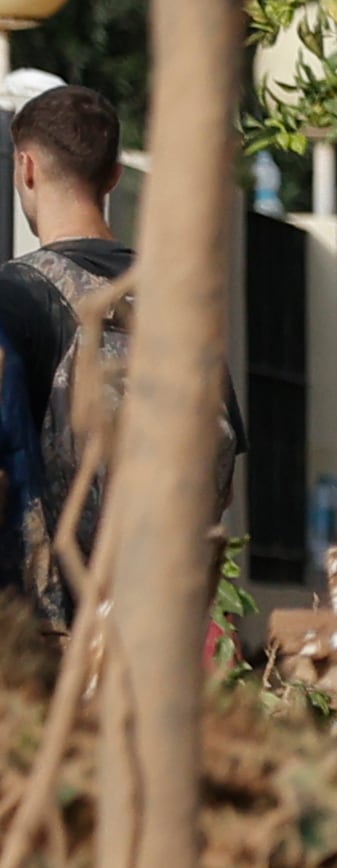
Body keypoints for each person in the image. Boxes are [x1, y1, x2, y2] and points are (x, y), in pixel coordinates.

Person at [0, 82, 131, 615]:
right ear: (114, 178)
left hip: (48, 631)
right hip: (156, 623)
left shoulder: (15, 294)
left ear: (25, 168)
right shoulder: (176, 299)